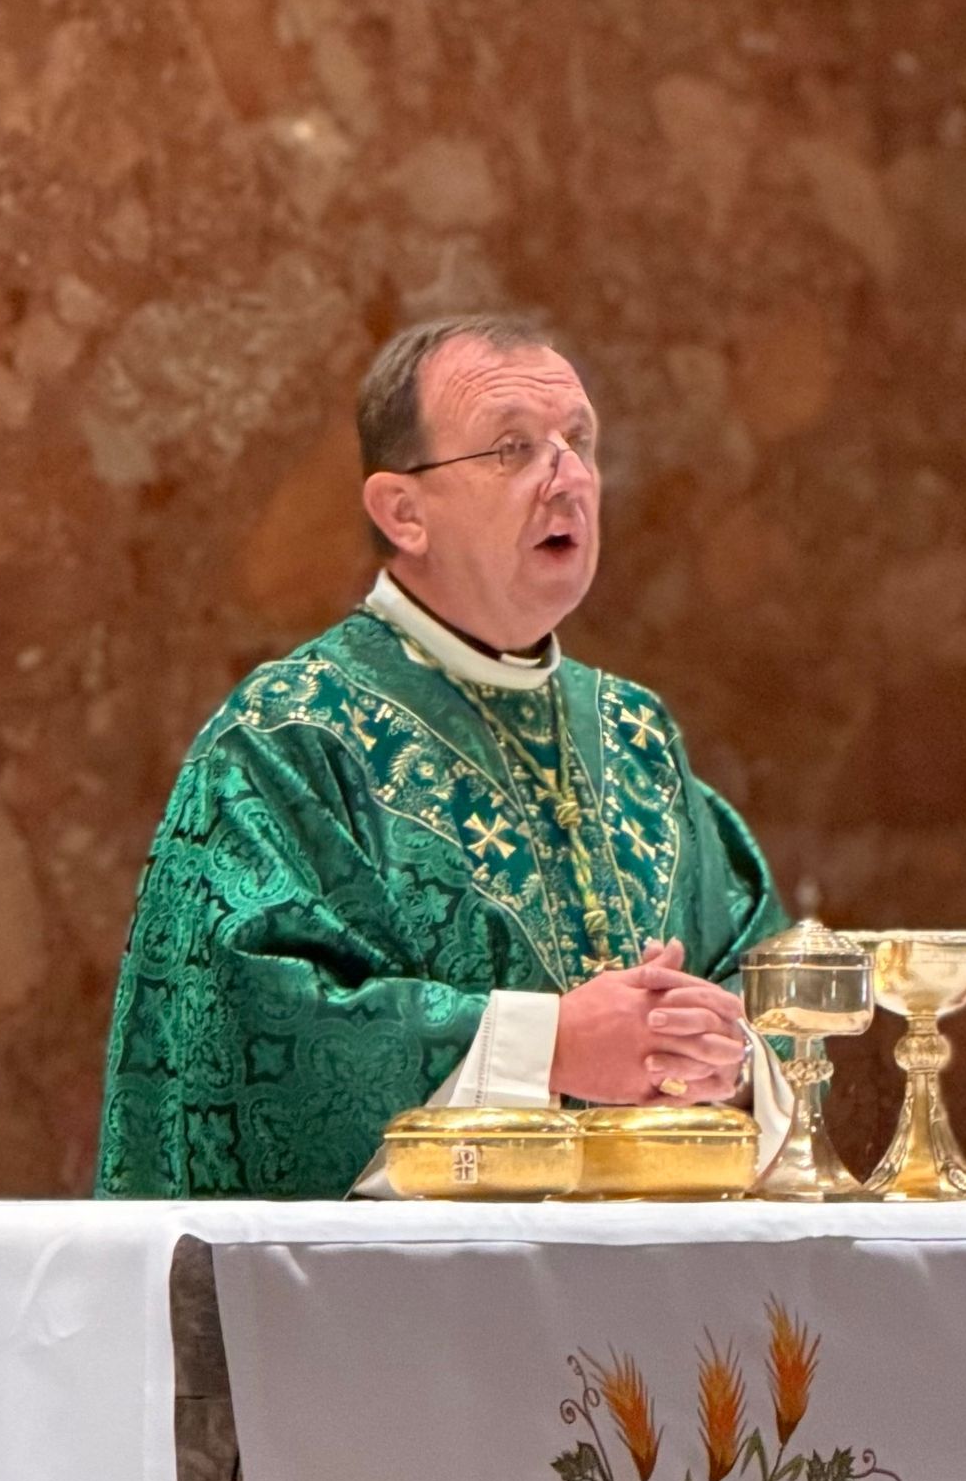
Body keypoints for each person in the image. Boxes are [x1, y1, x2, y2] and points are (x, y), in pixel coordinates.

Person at [95, 313, 787, 1196]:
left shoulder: (634, 733)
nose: (569, 478)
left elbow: (768, 979)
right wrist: (550, 1047)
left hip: (654, 1273)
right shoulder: (289, 739)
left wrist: (726, 1054)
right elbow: (239, 1036)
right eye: (513, 449)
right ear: (404, 512)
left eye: (578, 442)